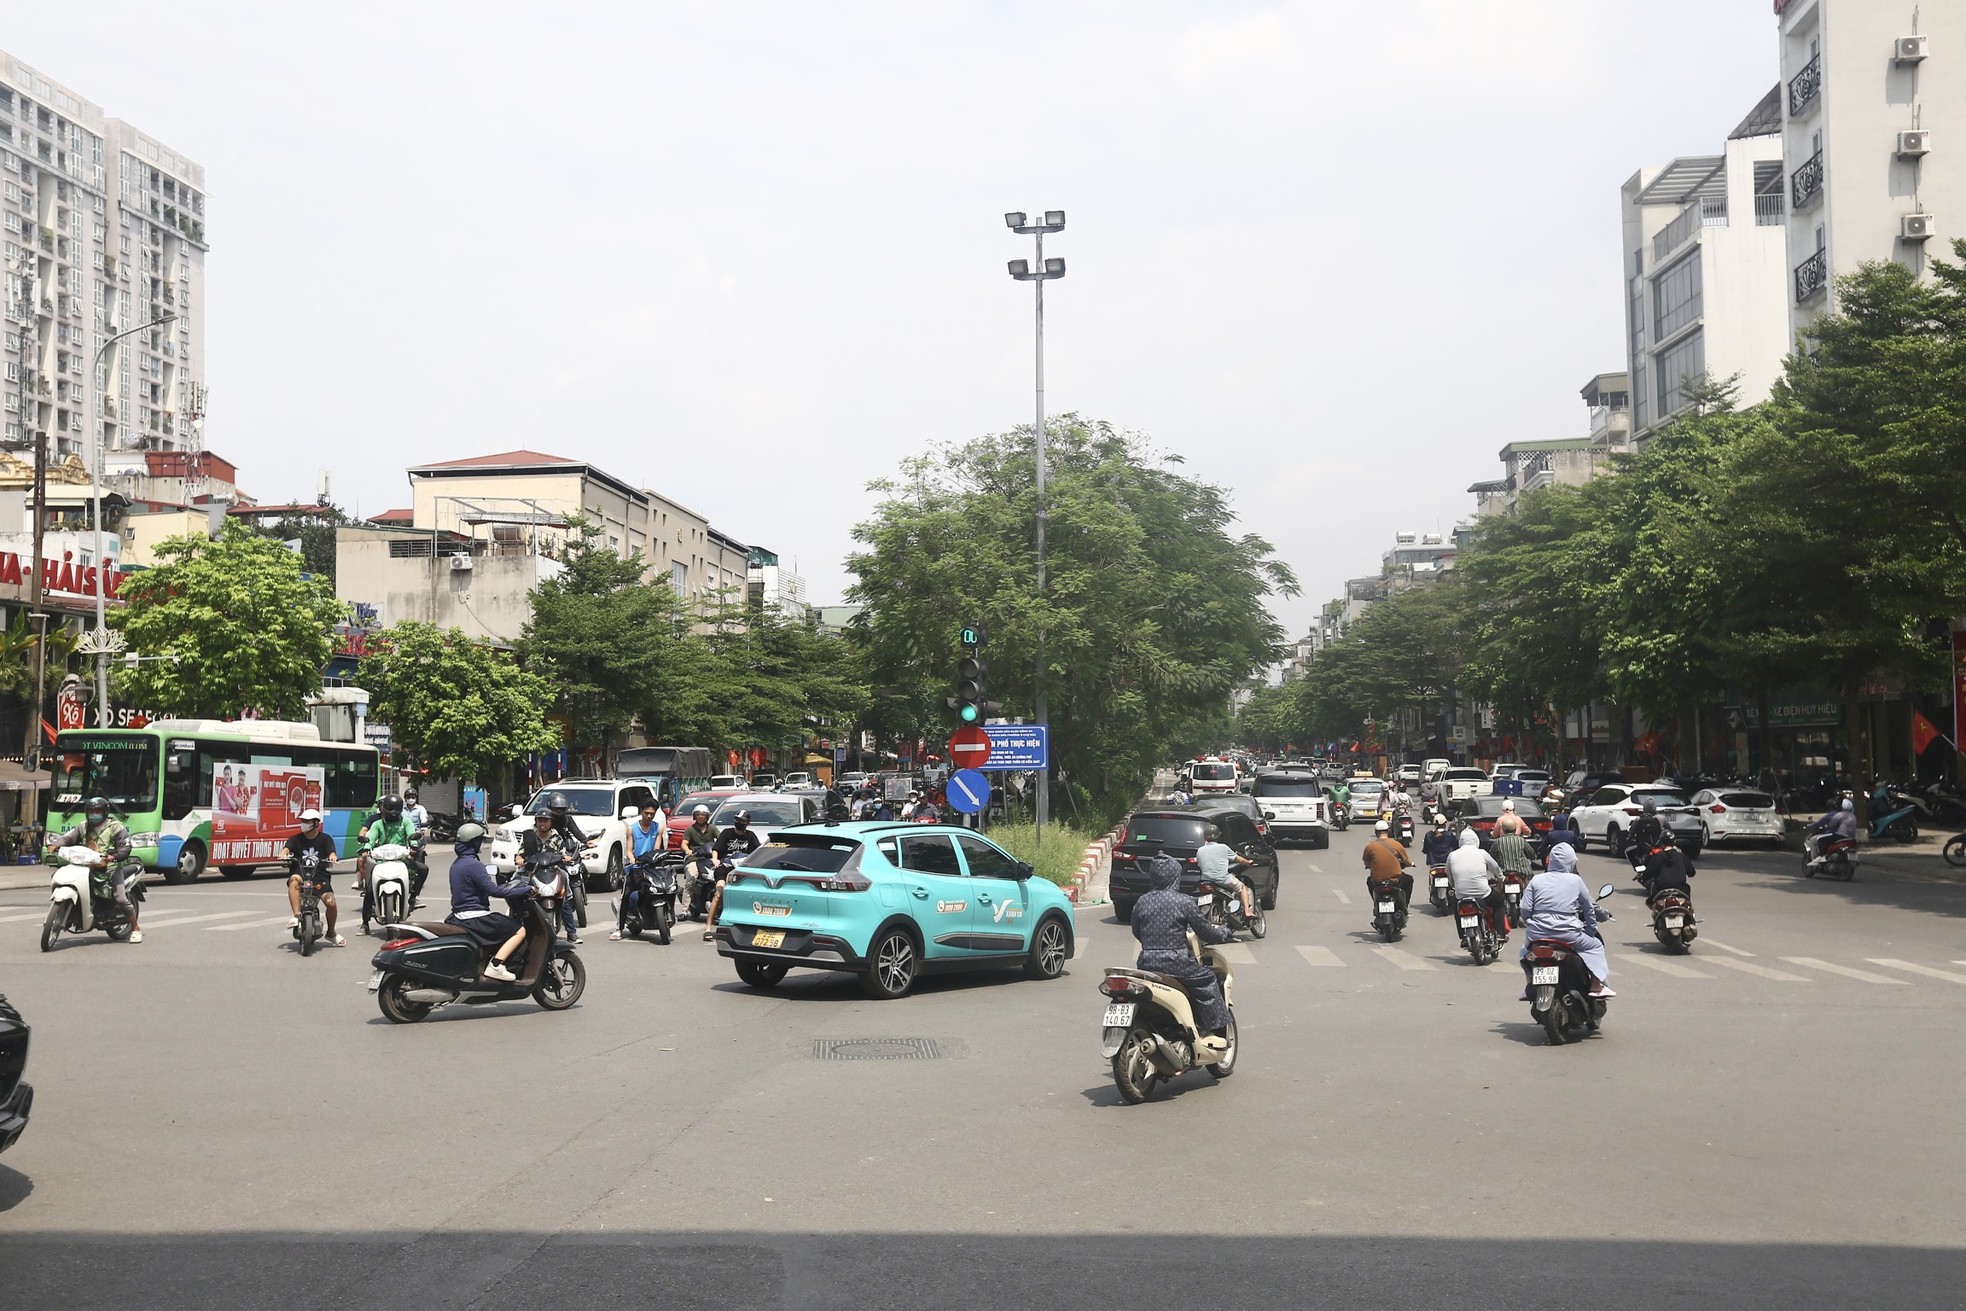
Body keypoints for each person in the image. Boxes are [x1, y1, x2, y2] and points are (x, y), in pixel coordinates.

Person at [1130, 846, 1235, 1051]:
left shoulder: (1142, 902)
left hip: (1146, 963)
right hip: (1177, 962)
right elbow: (1205, 932)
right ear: (1175, 876)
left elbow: (1137, 931)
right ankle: (1212, 1028)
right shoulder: (1184, 902)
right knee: (1207, 980)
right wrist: (1223, 932)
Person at [1517, 845, 1612, 1000]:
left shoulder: (1537, 879)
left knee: (1524, 953)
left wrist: (1533, 922)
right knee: (1596, 946)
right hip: (1568, 934)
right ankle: (1596, 987)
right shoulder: (1576, 880)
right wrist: (1590, 932)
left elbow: (1525, 908)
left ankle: (1529, 987)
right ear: (1571, 862)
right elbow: (1589, 909)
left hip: (1537, 934)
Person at [48, 795, 142, 943]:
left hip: (110, 868)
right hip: (86, 866)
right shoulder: (83, 826)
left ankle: (135, 928)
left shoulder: (116, 827)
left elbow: (125, 847)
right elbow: (67, 838)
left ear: (105, 812)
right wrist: (56, 844)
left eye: (97, 811)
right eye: (91, 811)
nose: (94, 814)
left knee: (121, 898)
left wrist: (113, 856)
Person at [446, 822, 532, 981]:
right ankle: (497, 965)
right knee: (519, 930)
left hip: (459, 916)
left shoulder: (457, 863)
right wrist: (525, 889)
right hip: (474, 916)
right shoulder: (474, 864)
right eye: (479, 840)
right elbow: (495, 891)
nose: (481, 844)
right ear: (473, 842)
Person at [356, 794, 420, 937]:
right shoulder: (378, 824)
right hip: (381, 861)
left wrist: (414, 846)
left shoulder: (406, 822)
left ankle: (413, 897)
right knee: (370, 891)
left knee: (422, 870)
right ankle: (365, 923)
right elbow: (371, 836)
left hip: (401, 859)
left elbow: (411, 835)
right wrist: (367, 847)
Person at [519, 810, 583, 945]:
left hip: (553, 870)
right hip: (532, 871)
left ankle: (571, 933)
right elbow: (520, 853)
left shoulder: (557, 838)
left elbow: (563, 852)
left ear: (551, 822)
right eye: (540, 820)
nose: (542, 823)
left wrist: (565, 857)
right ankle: (516, 926)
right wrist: (519, 859)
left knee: (564, 894)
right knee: (516, 886)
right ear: (536, 822)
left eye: (545, 820)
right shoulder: (529, 837)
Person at [610, 802, 670, 941]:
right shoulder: (631, 829)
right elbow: (629, 850)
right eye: (646, 813)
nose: (649, 816)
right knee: (626, 896)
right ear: (641, 811)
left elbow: (656, 849)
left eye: (652, 813)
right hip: (635, 868)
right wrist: (632, 859)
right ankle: (619, 929)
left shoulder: (658, 828)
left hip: (651, 868)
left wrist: (656, 858)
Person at [284, 807, 343, 946]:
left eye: (307, 821)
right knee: (293, 881)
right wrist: (284, 853)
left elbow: (331, 853)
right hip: (301, 875)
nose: (303, 823)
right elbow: (287, 848)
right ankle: (297, 916)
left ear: (316, 824)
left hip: (319, 877)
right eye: (302, 821)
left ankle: (331, 932)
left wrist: (332, 857)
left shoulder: (325, 839)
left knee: (331, 903)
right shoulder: (295, 839)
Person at [703, 810, 763, 940]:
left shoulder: (750, 836)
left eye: (742, 821)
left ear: (747, 823)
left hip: (742, 870)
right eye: (737, 820)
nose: (739, 823)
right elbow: (716, 850)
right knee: (719, 893)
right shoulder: (726, 833)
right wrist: (716, 859)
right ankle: (708, 928)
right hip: (725, 867)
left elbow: (757, 853)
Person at [1194, 825, 1259, 930]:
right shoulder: (1223, 847)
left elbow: (1200, 864)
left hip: (1206, 881)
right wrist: (1248, 862)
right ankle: (1247, 910)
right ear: (1218, 836)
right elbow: (1240, 860)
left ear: (1205, 837)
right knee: (1242, 887)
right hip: (1223, 879)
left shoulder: (1200, 850)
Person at [1447, 827, 1508, 937]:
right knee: (1499, 904)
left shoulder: (1452, 855)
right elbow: (1495, 868)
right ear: (1476, 840)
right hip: (1483, 893)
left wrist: (1454, 885)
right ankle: (1500, 934)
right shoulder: (1482, 853)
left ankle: (1463, 937)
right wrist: (1501, 878)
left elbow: (1449, 875)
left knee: (1457, 910)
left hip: (1461, 895)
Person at [1361, 819, 1413, 919]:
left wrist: (1370, 865)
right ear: (1388, 831)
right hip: (1395, 881)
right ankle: (1405, 905)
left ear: (1376, 832)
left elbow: (1366, 861)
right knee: (1409, 880)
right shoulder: (1397, 844)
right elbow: (1406, 861)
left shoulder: (1370, 846)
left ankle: (1376, 903)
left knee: (1369, 881)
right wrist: (1411, 864)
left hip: (1377, 881)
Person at [1805, 798, 1859, 869]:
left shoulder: (1840, 814)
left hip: (1840, 835)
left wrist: (1827, 827)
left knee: (1820, 840)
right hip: (1851, 837)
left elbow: (1831, 825)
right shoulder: (1853, 816)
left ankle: (1822, 857)